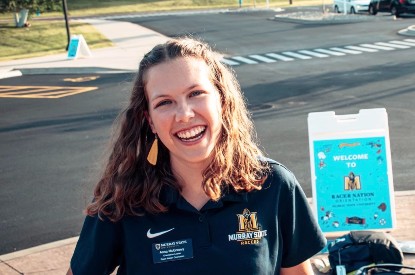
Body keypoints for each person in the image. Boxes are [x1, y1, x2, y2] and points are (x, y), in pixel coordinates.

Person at [67, 37, 326, 275]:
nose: (184, 114)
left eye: (196, 94)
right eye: (164, 103)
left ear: (222, 101)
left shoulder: (274, 186)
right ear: (150, 121)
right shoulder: (123, 199)